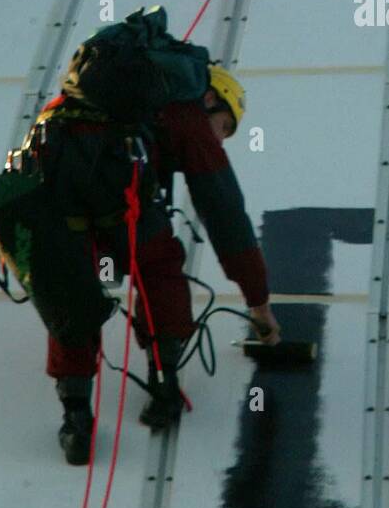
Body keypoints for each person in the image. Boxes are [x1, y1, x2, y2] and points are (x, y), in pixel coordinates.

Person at [39, 65, 280, 461]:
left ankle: (76, 416)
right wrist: (259, 301)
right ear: (209, 100)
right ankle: (164, 384)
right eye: (223, 126)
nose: (220, 139)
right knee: (161, 263)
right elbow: (225, 214)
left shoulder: (89, 99)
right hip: (123, 207)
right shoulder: (187, 116)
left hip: (61, 205)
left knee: (71, 292)